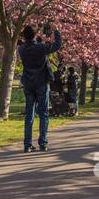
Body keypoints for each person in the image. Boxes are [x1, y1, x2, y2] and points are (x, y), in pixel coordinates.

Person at [18, 21, 62, 151]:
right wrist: (56, 31)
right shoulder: (41, 48)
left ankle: (27, 144)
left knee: (29, 114)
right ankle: (43, 142)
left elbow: (31, 44)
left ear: (24, 36)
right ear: (35, 34)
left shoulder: (22, 49)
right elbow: (57, 45)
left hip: (28, 83)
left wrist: (38, 37)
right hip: (41, 83)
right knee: (43, 113)